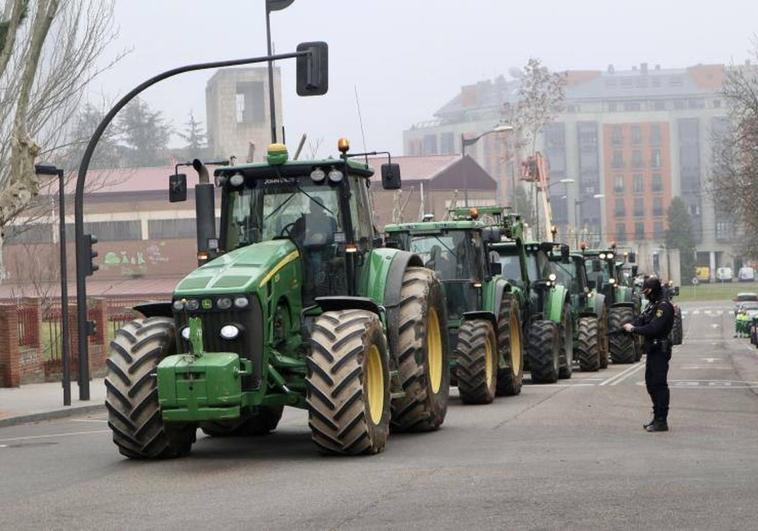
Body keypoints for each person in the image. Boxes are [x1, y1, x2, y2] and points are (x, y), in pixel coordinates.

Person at [622, 276, 675, 432]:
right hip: (652, 350)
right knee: (651, 384)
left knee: (659, 385)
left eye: (647, 292)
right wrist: (629, 325)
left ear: (652, 291)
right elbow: (642, 320)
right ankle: (656, 416)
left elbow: (653, 328)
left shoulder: (663, 307)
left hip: (660, 349)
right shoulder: (653, 306)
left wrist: (634, 330)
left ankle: (661, 420)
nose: (645, 294)